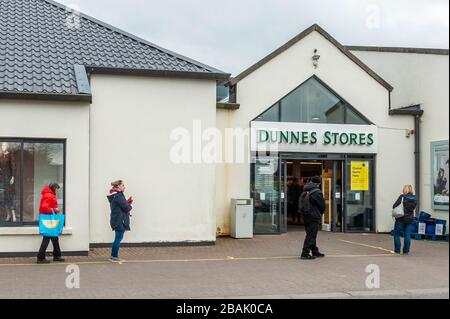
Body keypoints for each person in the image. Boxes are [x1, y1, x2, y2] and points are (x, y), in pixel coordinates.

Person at [37, 183, 65, 264]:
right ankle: (40, 257)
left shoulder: (49, 194)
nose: (57, 190)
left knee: (55, 238)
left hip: (49, 220)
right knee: (47, 238)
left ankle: (57, 256)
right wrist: (55, 210)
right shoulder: (49, 195)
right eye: (56, 188)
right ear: (53, 188)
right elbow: (44, 208)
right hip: (48, 220)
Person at [299, 176, 326, 260]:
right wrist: (320, 213)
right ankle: (305, 253)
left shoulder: (305, 190)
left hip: (306, 215)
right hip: (313, 216)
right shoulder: (317, 192)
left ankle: (315, 251)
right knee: (311, 235)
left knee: (310, 233)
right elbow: (322, 205)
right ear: (318, 183)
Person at [107, 180, 133, 262]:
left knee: (118, 238)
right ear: (118, 186)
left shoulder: (116, 196)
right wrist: (128, 204)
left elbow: (122, 206)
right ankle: (114, 256)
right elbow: (127, 208)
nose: (124, 187)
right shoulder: (118, 196)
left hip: (116, 220)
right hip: (119, 220)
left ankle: (113, 256)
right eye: (123, 185)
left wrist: (126, 203)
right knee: (118, 238)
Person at [392, 185, 417, 255]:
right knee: (407, 235)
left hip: (400, 218)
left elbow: (394, 206)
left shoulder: (402, 197)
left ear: (404, 190)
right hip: (410, 219)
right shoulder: (414, 198)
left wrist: (401, 196)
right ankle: (406, 251)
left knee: (396, 233)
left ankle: (397, 250)